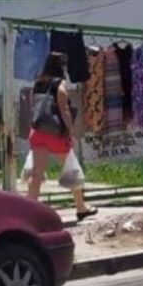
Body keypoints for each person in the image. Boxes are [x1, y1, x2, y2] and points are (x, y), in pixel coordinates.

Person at [27, 52, 98, 222]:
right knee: (71, 170)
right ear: (62, 67)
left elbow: (33, 105)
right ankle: (81, 208)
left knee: (36, 173)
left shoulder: (38, 83)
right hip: (56, 133)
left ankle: (29, 211)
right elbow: (64, 110)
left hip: (37, 131)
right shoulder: (60, 84)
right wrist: (70, 130)